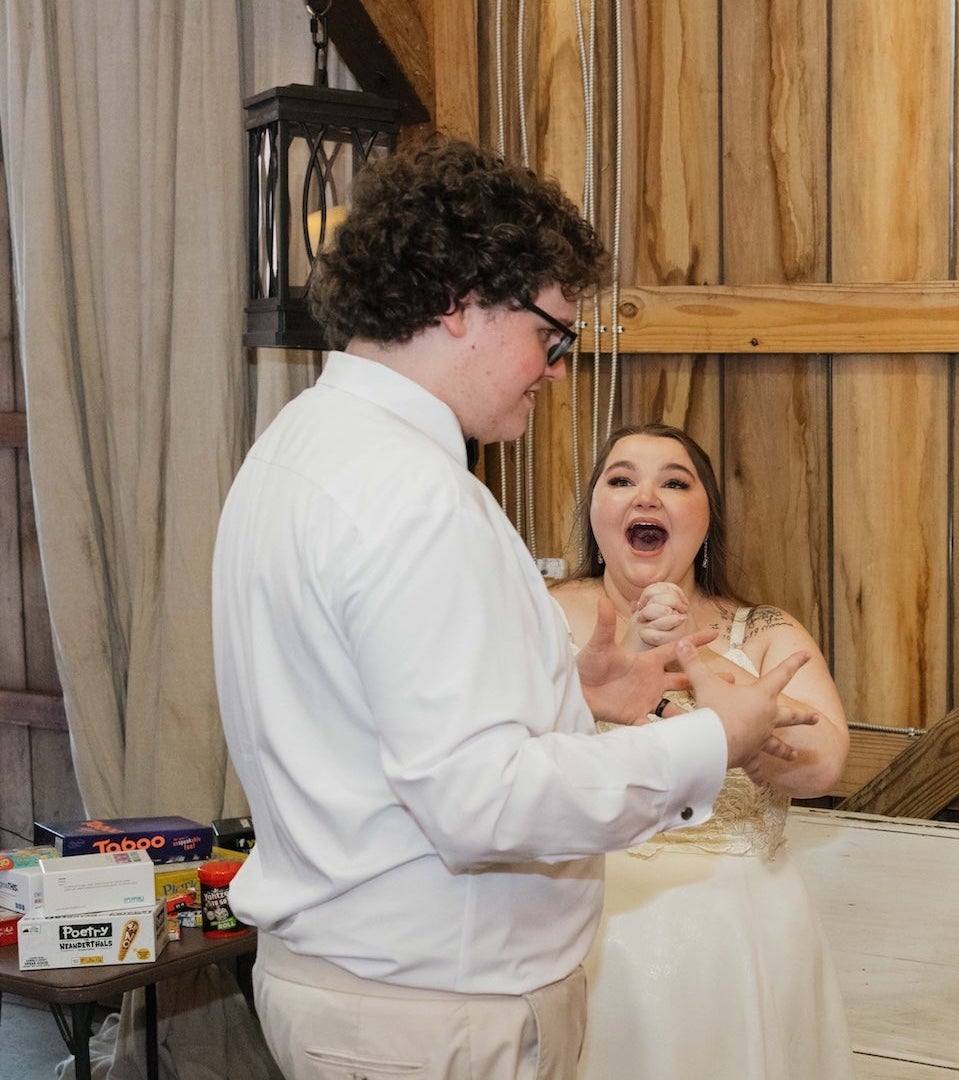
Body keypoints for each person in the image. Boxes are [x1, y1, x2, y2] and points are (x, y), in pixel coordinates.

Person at [212, 140, 815, 1080]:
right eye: (552, 336)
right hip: (432, 1020)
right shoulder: (416, 496)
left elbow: (375, 709)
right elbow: (481, 803)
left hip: (361, 986)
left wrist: (564, 694)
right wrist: (711, 741)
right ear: (460, 304)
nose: (557, 370)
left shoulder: (297, 445)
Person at [548, 424, 854, 1080]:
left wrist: (693, 648)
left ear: (707, 517)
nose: (646, 496)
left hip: (743, 937)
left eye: (674, 482)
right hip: (585, 927)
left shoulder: (763, 630)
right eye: (621, 480)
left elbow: (824, 765)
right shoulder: (538, 615)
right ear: (595, 513)